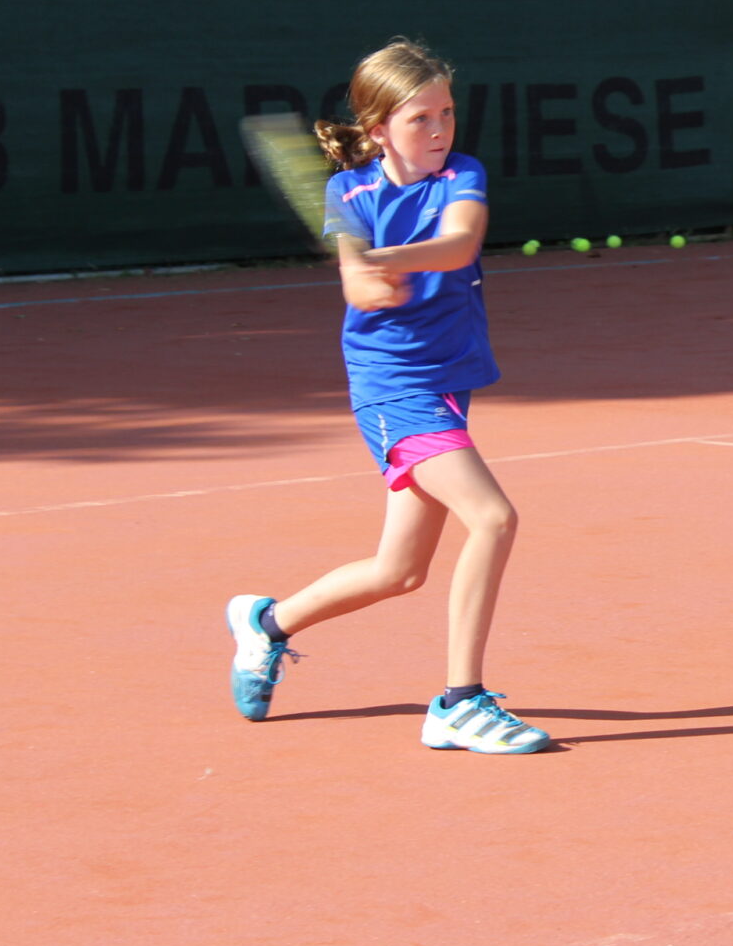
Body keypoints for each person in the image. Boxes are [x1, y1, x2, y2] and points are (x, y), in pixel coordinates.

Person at [224, 39, 548, 754]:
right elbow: (358, 288)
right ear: (378, 130)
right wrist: (374, 278)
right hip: (393, 387)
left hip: (448, 382)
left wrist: (392, 257)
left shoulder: (461, 174)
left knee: (398, 572)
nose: (439, 130)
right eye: (420, 118)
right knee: (493, 518)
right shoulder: (349, 195)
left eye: (447, 113)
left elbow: (459, 243)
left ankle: (266, 625)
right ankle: (460, 703)